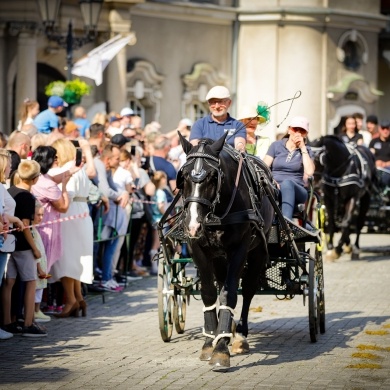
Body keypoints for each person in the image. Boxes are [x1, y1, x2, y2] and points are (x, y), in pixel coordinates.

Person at [2, 160, 47, 337]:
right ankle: (28, 322)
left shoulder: (9, 190)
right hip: (22, 245)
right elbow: (26, 226)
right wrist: (35, 248)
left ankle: (7, 321)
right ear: (35, 179)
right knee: (30, 281)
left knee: (9, 282)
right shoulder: (27, 196)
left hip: (8, 243)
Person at [50, 138, 94, 317]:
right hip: (82, 213)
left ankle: (71, 299)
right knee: (75, 259)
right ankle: (78, 297)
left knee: (66, 259)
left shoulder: (66, 169)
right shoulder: (79, 168)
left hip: (69, 214)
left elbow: (63, 194)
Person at [31, 146, 72, 314]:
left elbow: (50, 179)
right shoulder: (47, 184)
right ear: (47, 159)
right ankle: (35, 310)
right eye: (54, 157)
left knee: (38, 268)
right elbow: (63, 207)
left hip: (40, 227)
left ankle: (34, 309)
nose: (57, 160)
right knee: (41, 269)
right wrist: (64, 187)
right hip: (46, 230)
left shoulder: (38, 178)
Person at [263, 116, 315, 220]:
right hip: (274, 187)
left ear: (306, 134)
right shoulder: (276, 146)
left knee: (287, 183)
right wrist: (272, 181)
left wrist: (303, 148)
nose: (298, 133)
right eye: (295, 129)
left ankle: (286, 223)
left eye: (302, 131)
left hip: (298, 190)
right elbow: (264, 167)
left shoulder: (307, 150)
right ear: (289, 130)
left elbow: (309, 172)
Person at [189, 85, 246, 151]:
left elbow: (240, 145)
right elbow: (195, 147)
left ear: (229, 103)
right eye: (213, 102)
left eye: (220, 101)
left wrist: (240, 148)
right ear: (209, 104)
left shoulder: (238, 125)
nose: (217, 106)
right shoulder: (199, 124)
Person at [32, 200, 51, 323]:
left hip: (42, 265)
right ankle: (34, 310)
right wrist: (39, 268)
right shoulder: (32, 231)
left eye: (42, 215)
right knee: (36, 289)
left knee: (40, 289)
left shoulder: (35, 229)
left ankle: (37, 310)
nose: (40, 218)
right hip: (37, 267)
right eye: (38, 215)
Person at [149, 170, 168, 275]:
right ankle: (154, 267)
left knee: (156, 243)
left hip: (155, 219)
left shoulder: (156, 192)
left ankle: (156, 266)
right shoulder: (161, 192)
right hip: (160, 220)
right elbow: (161, 207)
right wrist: (168, 216)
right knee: (156, 244)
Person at [369, 119, 390, 187]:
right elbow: (369, 157)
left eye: (387, 128)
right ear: (379, 129)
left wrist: (386, 164)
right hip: (375, 168)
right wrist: (375, 163)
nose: (385, 131)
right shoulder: (373, 142)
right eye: (383, 128)